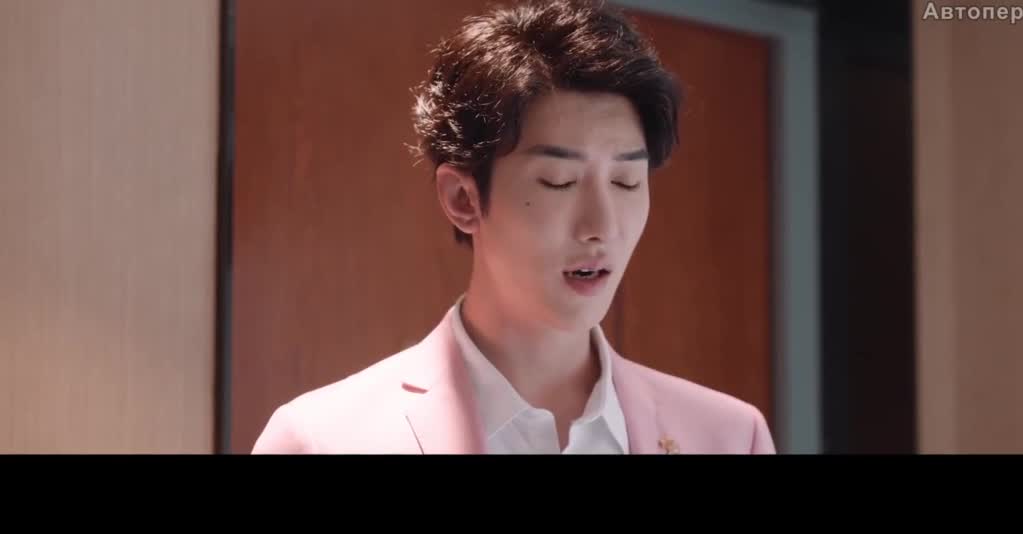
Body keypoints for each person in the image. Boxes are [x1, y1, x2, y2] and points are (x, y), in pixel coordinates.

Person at [251, 0, 775, 454]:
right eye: (558, 182)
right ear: (463, 199)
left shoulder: (729, 436)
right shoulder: (323, 438)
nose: (602, 226)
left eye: (626, 181)